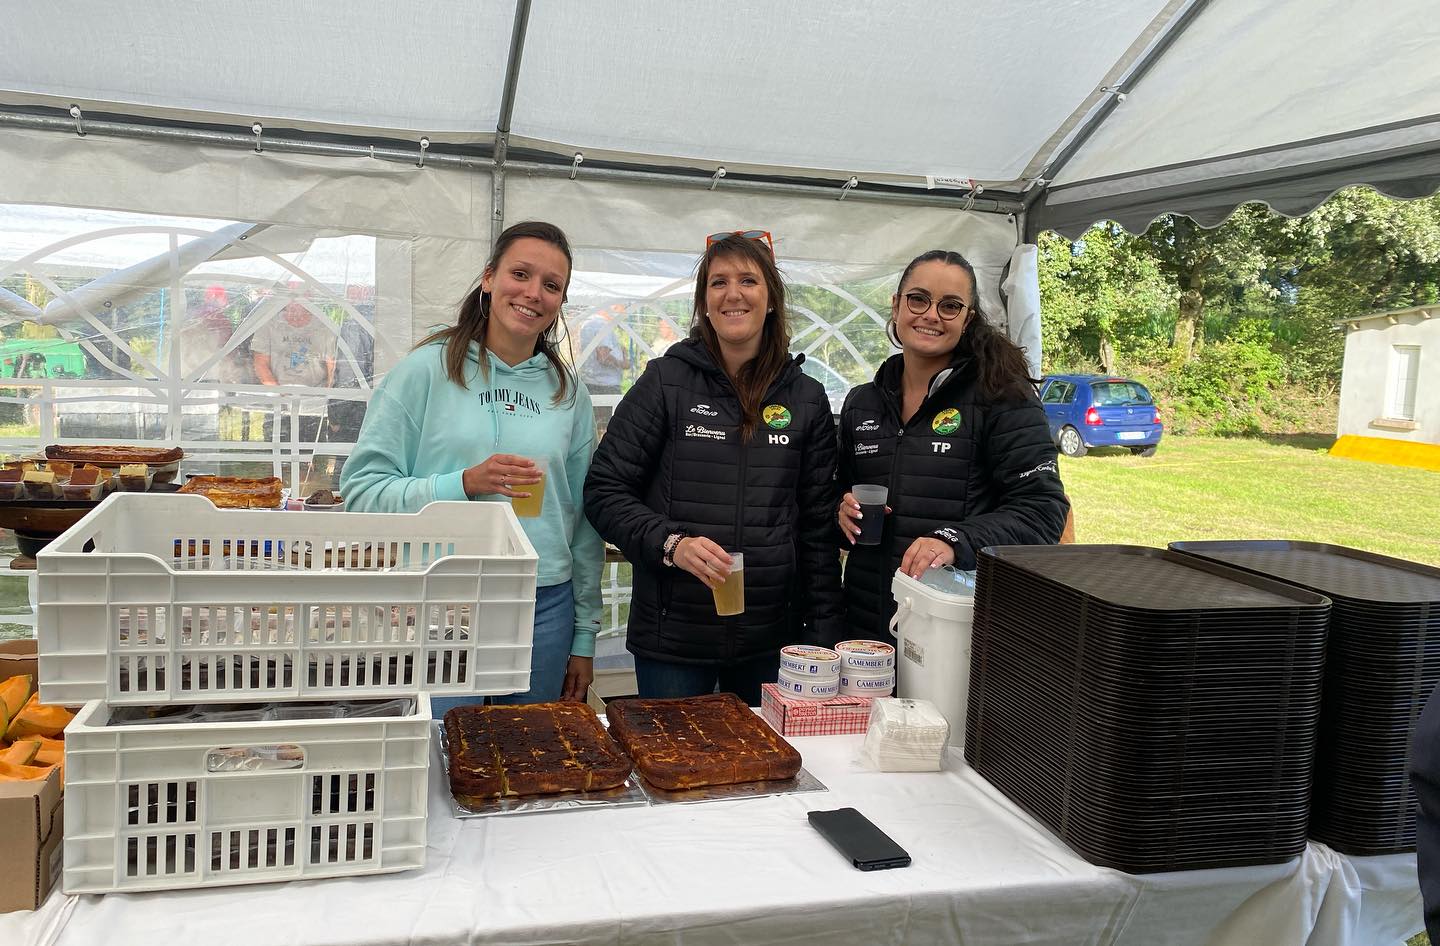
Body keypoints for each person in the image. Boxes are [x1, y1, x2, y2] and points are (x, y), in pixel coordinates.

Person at [341, 221, 601, 710]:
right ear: (488, 278)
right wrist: (463, 483)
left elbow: (583, 519)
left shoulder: (567, 392)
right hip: (437, 595)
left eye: (551, 285)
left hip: (542, 602)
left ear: (561, 301)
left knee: (528, 756)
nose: (533, 294)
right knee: (439, 752)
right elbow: (361, 491)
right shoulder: (426, 371)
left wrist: (584, 635)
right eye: (520, 274)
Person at [584, 231, 843, 706]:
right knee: (676, 771)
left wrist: (822, 634)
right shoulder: (666, 382)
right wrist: (672, 544)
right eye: (718, 282)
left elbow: (817, 528)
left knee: (768, 776)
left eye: (749, 280)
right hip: (674, 640)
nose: (733, 293)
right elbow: (604, 490)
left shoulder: (806, 398)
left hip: (772, 642)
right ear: (704, 302)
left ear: (771, 299)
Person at [836, 250, 1069, 641]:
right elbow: (834, 494)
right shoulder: (863, 402)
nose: (930, 314)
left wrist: (955, 540)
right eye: (918, 299)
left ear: (968, 319)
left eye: (950, 306)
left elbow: (1042, 512)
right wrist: (838, 510)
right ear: (896, 306)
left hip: (956, 630)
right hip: (866, 631)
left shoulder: (1003, 396)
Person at [253, 287, 338, 443]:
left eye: (300, 294)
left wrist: (327, 397)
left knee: (309, 455)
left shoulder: (324, 326)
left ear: (310, 297)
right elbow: (260, 363)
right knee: (278, 454)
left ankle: (308, 467)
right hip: (278, 403)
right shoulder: (269, 324)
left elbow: (332, 365)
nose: (295, 301)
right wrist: (279, 394)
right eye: (291, 295)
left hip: (313, 406)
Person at [578, 303, 630, 396]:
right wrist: (623, 363)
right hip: (605, 386)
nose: (623, 316)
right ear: (614, 307)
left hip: (591, 382)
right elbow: (603, 357)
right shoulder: (603, 325)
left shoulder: (589, 323)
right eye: (622, 311)